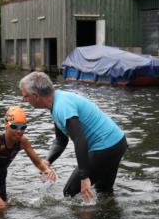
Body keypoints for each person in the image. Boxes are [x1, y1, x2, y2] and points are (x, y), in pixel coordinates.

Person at [19, 71, 127, 201]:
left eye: (25, 96)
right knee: (103, 191)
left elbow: (79, 140)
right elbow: (60, 141)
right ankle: (109, 212)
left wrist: (84, 177)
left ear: (36, 96)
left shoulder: (62, 106)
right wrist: (47, 162)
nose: (24, 99)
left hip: (105, 147)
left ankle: (87, 214)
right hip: (118, 142)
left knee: (70, 193)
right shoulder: (57, 101)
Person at [0, 106, 57, 209]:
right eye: (14, 127)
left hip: (0, 181)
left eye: (23, 127)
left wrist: (47, 170)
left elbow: (38, 162)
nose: (19, 131)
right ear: (6, 125)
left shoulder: (23, 141)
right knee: (0, 207)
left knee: (4, 212)